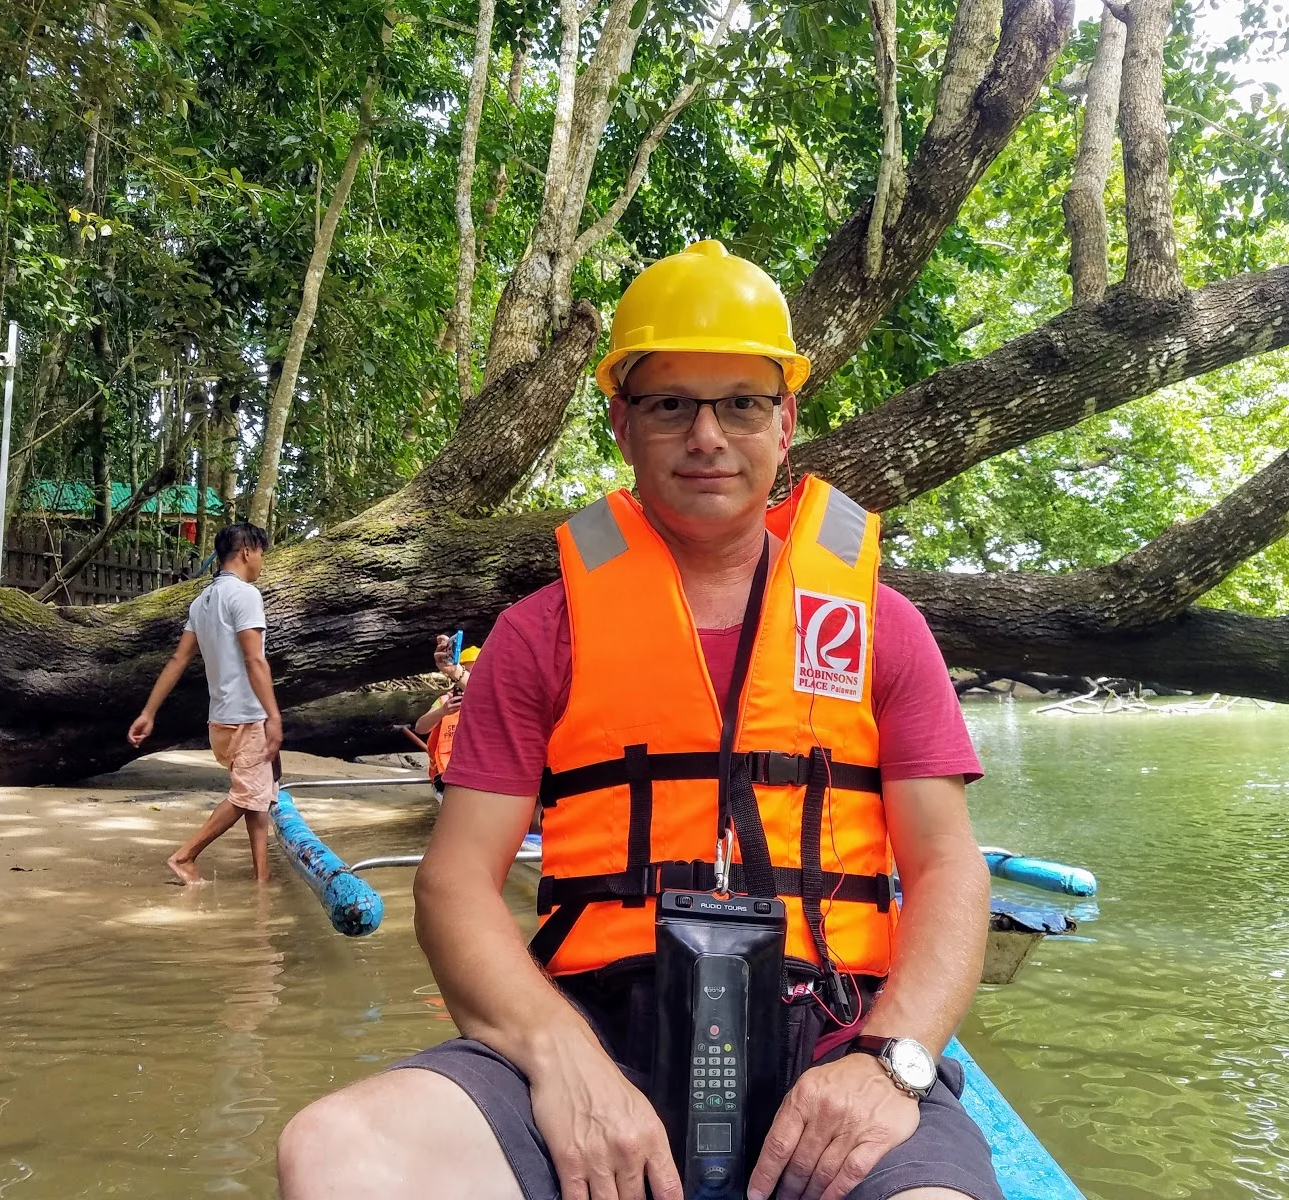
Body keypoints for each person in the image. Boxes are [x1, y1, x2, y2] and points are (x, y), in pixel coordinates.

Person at [278, 240, 998, 1200]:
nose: (707, 436)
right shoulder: (539, 635)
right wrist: (559, 1056)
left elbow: (947, 867)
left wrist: (892, 1061)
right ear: (622, 423)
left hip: (835, 1037)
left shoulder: (883, 628)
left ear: (786, 422)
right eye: (670, 406)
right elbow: (453, 882)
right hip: (595, 1034)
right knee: (335, 1150)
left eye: (741, 403)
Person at [128, 521, 282, 885]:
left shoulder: (203, 601)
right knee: (248, 795)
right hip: (246, 716)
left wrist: (148, 713)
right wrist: (273, 716)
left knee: (257, 796)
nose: (261, 562)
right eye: (261, 554)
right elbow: (255, 660)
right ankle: (185, 856)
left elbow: (178, 659)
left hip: (220, 721)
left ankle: (262, 877)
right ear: (247, 551)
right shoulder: (245, 595)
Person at [414, 639, 480, 791]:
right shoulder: (445, 700)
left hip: (478, 774)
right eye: (467, 672)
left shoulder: (491, 703)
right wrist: (442, 711)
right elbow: (420, 727)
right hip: (445, 776)